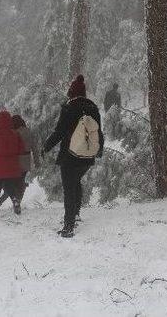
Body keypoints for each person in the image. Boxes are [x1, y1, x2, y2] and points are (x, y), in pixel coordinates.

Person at [43, 75, 104, 238]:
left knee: (69, 188)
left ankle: (68, 225)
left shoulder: (69, 107)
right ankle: (76, 214)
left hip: (70, 155)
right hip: (88, 155)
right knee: (76, 182)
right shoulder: (93, 108)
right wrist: (99, 150)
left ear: (72, 92)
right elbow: (98, 132)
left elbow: (59, 132)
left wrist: (46, 147)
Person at [0, 110, 25, 217]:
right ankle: (15, 200)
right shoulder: (15, 134)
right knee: (9, 186)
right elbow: (21, 149)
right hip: (12, 166)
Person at [0, 115, 40, 206]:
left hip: (13, 160)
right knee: (20, 181)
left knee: (11, 182)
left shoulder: (12, 132)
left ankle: (4, 200)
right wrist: (37, 161)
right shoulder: (29, 132)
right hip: (25, 160)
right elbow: (35, 148)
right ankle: (18, 200)